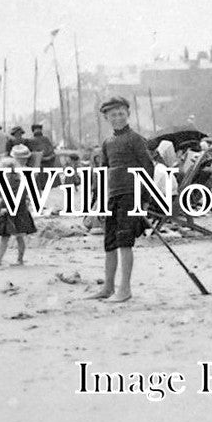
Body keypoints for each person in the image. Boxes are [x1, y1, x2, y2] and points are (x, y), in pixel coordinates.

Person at [86, 97, 155, 302]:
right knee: (110, 244)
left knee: (125, 242)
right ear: (106, 118)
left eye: (121, 114)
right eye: (113, 115)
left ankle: (124, 289)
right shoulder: (107, 143)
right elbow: (104, 171)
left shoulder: (135, 139)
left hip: (130, 196)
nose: (118, 118)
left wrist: (143, 199)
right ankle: (108, 287)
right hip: (112, 196)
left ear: (128, 115)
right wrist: (98, 200)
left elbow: (148, 168)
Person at [0, 151, 36, 266]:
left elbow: (19, 197)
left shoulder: (18, 183)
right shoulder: (3, 182)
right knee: (5, 236)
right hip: (7, 213)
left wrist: (6, 204)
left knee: (19, 237)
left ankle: (19, 259)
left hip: (18, 213)